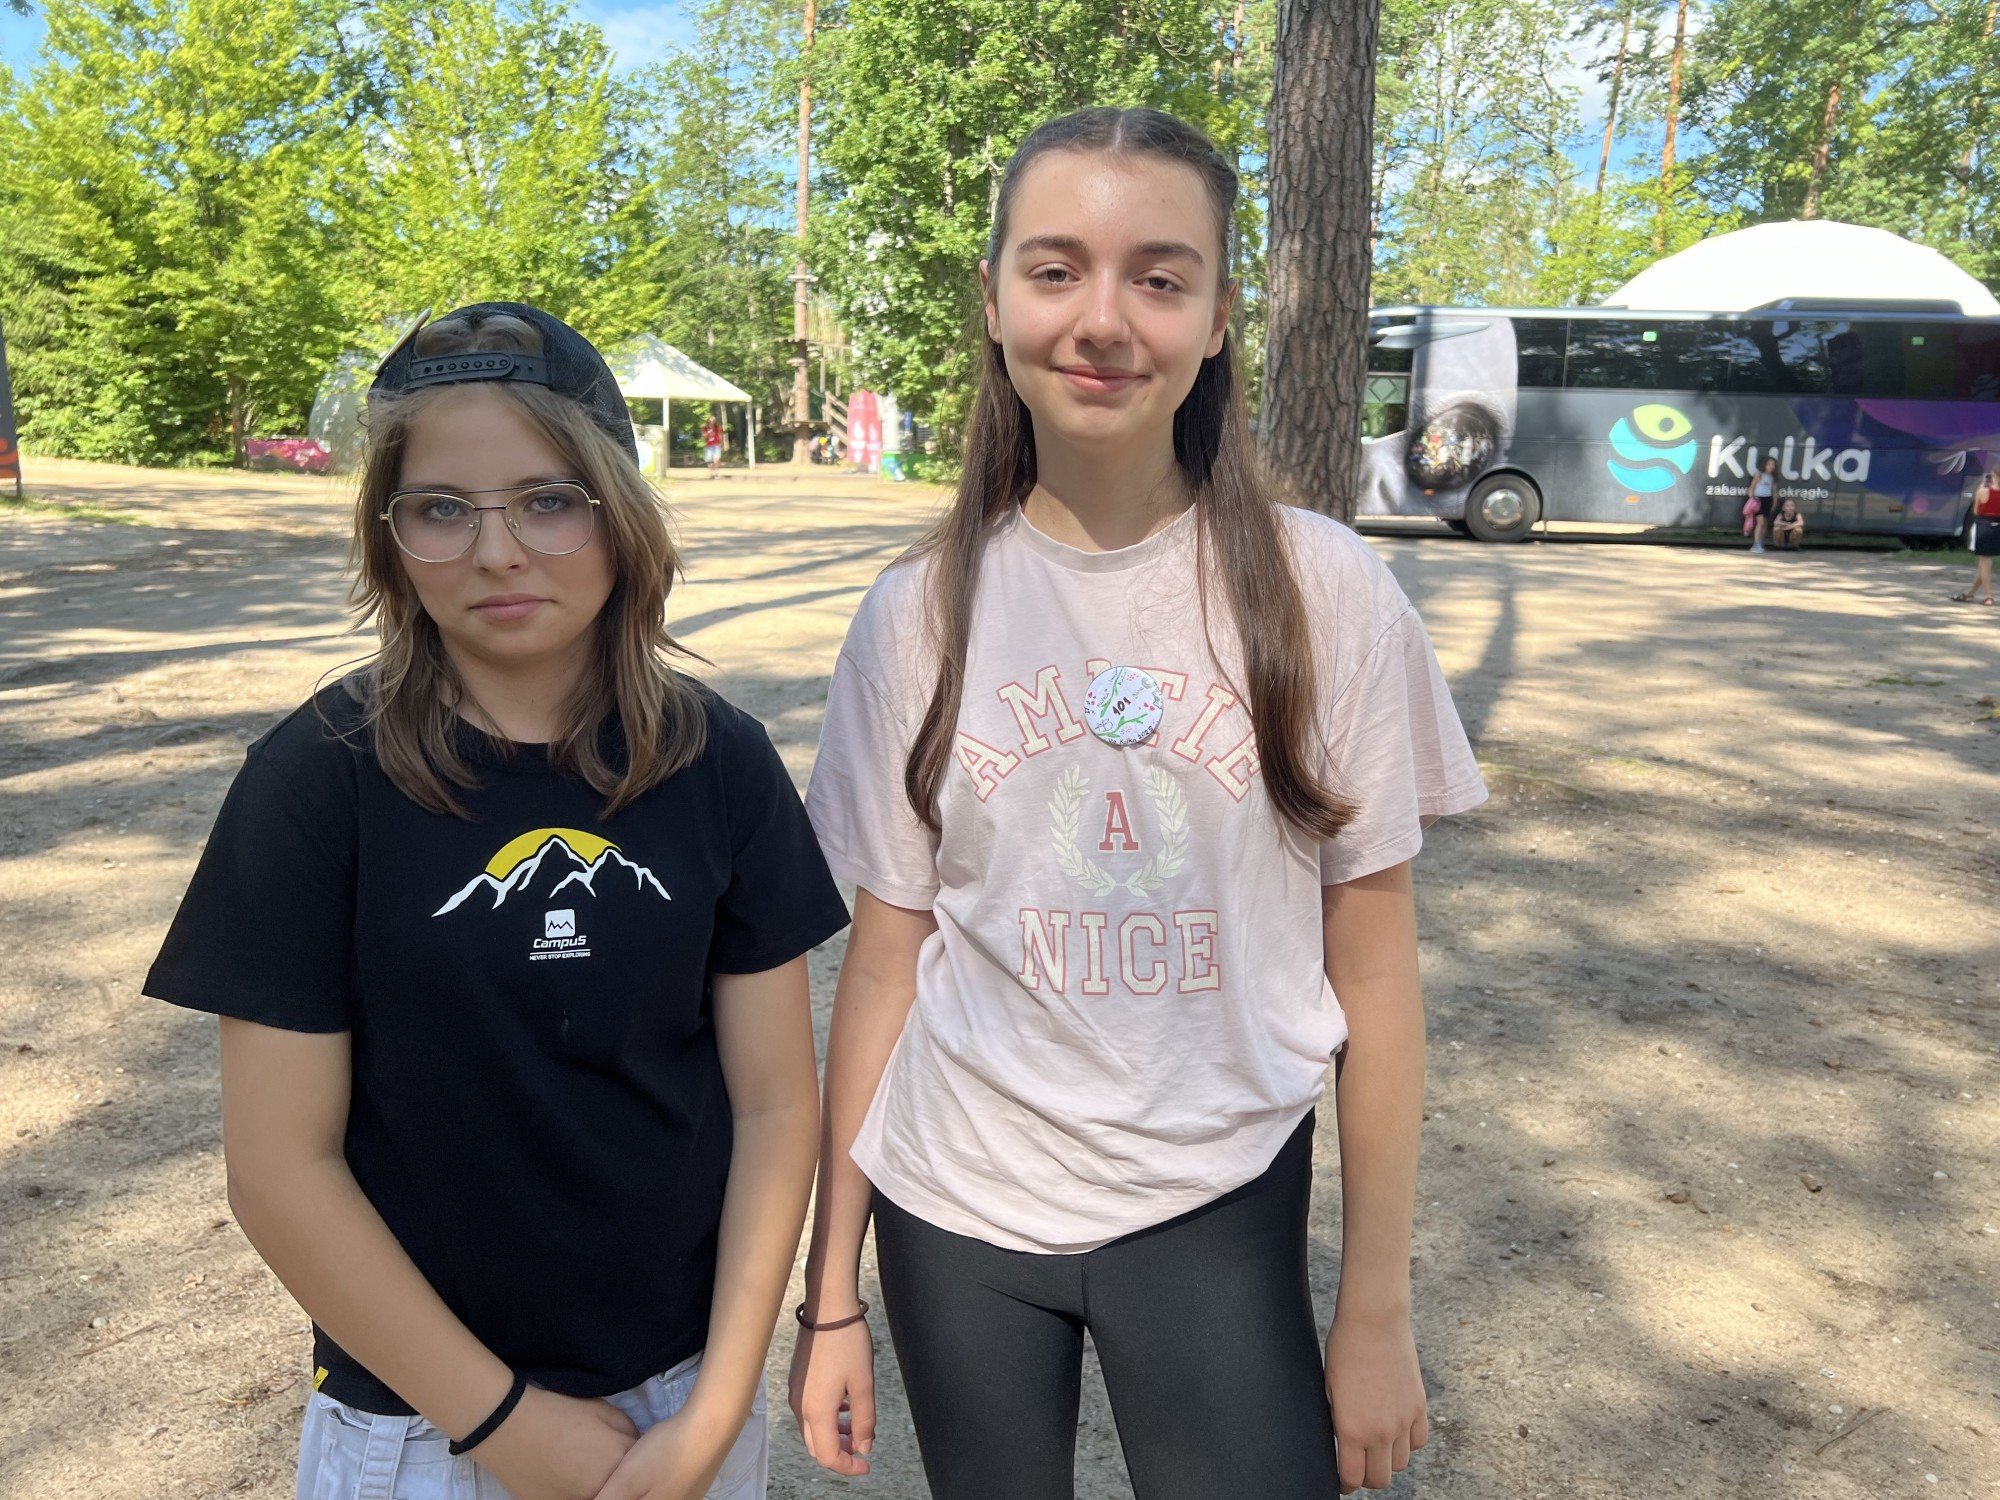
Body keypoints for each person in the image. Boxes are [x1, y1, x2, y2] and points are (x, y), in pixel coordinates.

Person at [788, 109, 1487, 1500]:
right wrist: (831, 1299)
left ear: (1219, 318)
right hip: (954, 1206)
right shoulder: (915, 612)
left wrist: (1374, 1313)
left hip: (1216, 1202)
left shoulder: (1325, 591)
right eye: (1055, 270)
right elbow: (883, 965)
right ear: (995, 300)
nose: (1102, 319)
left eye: (1159, 278)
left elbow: (1374, 973)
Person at [144, 302, 849, 1500]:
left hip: (685, 1403)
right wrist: (503, 1422)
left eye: (547, 500)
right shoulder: (318, 779)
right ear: (390, 537)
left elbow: (776, 1105)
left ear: (618, 513)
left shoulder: (716, 760)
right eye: (441, 509)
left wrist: (719, 1405)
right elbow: (279, 1169)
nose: (498, 552)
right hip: (422, 1426)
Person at [1954, 468, 1998, 604]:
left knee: (1985, 562)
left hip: (1984, 527)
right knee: (1983, 564)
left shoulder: (1983, 491)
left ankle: (1989, 596)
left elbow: (1976, 511)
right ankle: (1970, 594)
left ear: (1993, 475)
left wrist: (1980, 488)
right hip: (1998, 528)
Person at [1747, 454, 1779, 553]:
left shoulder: (1773, 477)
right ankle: (1755, 544)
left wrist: (1774, 503)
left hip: (1768, 500)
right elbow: (1751, 488)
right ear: (1764, 465)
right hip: (1758, 500)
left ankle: (1760, 543)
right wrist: (1753, 499)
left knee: (1764, 523)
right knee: (1760, 523)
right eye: (1769, 464)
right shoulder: (1759, 474)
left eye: (1773, 464)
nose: (1771, 466)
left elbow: (1774, 491)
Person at [702, 410, 726, 478]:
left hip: (716, 445)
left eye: (713, 420)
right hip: (708, 446)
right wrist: (708, 433)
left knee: (716, 459)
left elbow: (721, 436)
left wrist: (722, 444)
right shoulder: (705, 428)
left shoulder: (718, 427)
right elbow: (704, 435)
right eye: (711, 420)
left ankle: (716, 473)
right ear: (708, 421)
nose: (712, 422)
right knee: (709, 460)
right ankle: (712, 473)